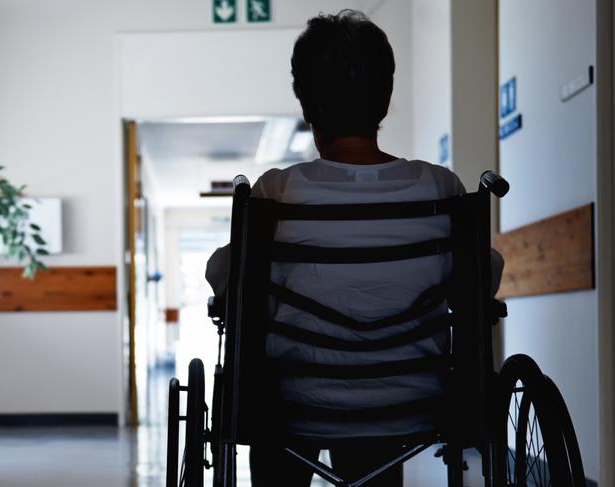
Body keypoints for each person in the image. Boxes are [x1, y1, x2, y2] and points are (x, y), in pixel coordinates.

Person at [205, 10, 503, 487]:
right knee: (373, 452)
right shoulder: (439, 186)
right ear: (384, 98)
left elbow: (228, 279)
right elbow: (482, 276)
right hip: (411, 402)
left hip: (294, 404)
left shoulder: (277, 192)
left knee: (275, 430)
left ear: (305, 102)